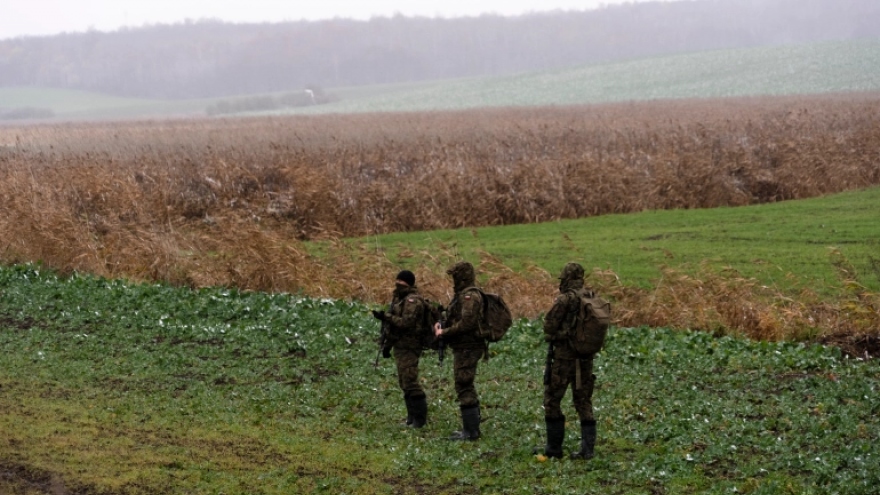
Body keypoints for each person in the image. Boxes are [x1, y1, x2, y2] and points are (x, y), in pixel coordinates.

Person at [537, 262, 599, 460]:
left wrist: (557, 334)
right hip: (585, 359)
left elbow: (549, 325)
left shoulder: (565, 300)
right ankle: (587, 450)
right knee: (583, 401)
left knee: (552, 400)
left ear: (566, 278)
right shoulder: (591, 297)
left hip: (564, 359)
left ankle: (554, 448)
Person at [433, 261, 485, 441]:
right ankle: (471, 429)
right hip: (464, 347)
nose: (453, 280)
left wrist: (444, 332)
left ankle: (471, 432)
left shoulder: (470, 297)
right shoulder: (463, 295)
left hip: (468, 347)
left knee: (464, 384)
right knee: (464, 384)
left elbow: (467, 324)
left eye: (455, 276)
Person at [372, 270, 430, 428]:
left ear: (408, 284)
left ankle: (420, 419)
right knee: (403, 381)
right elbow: (393, 329)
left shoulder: (412, 301)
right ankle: (411, 417)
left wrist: (387, 317)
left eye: (401, 283)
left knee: (410, 381)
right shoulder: (398, 299)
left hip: (411, 346)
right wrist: (387, 346)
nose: (397, 285)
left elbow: (406, 323)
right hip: (400, 345)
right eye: (396, 282)